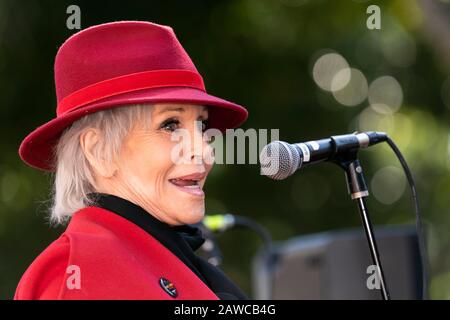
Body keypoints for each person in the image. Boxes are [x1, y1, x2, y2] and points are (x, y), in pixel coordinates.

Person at [14, 21, 248, 300]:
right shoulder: (74, 275)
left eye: (200, 125)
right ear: (99, 151)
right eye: (170, 125)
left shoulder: (161, 255)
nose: (205, 151)